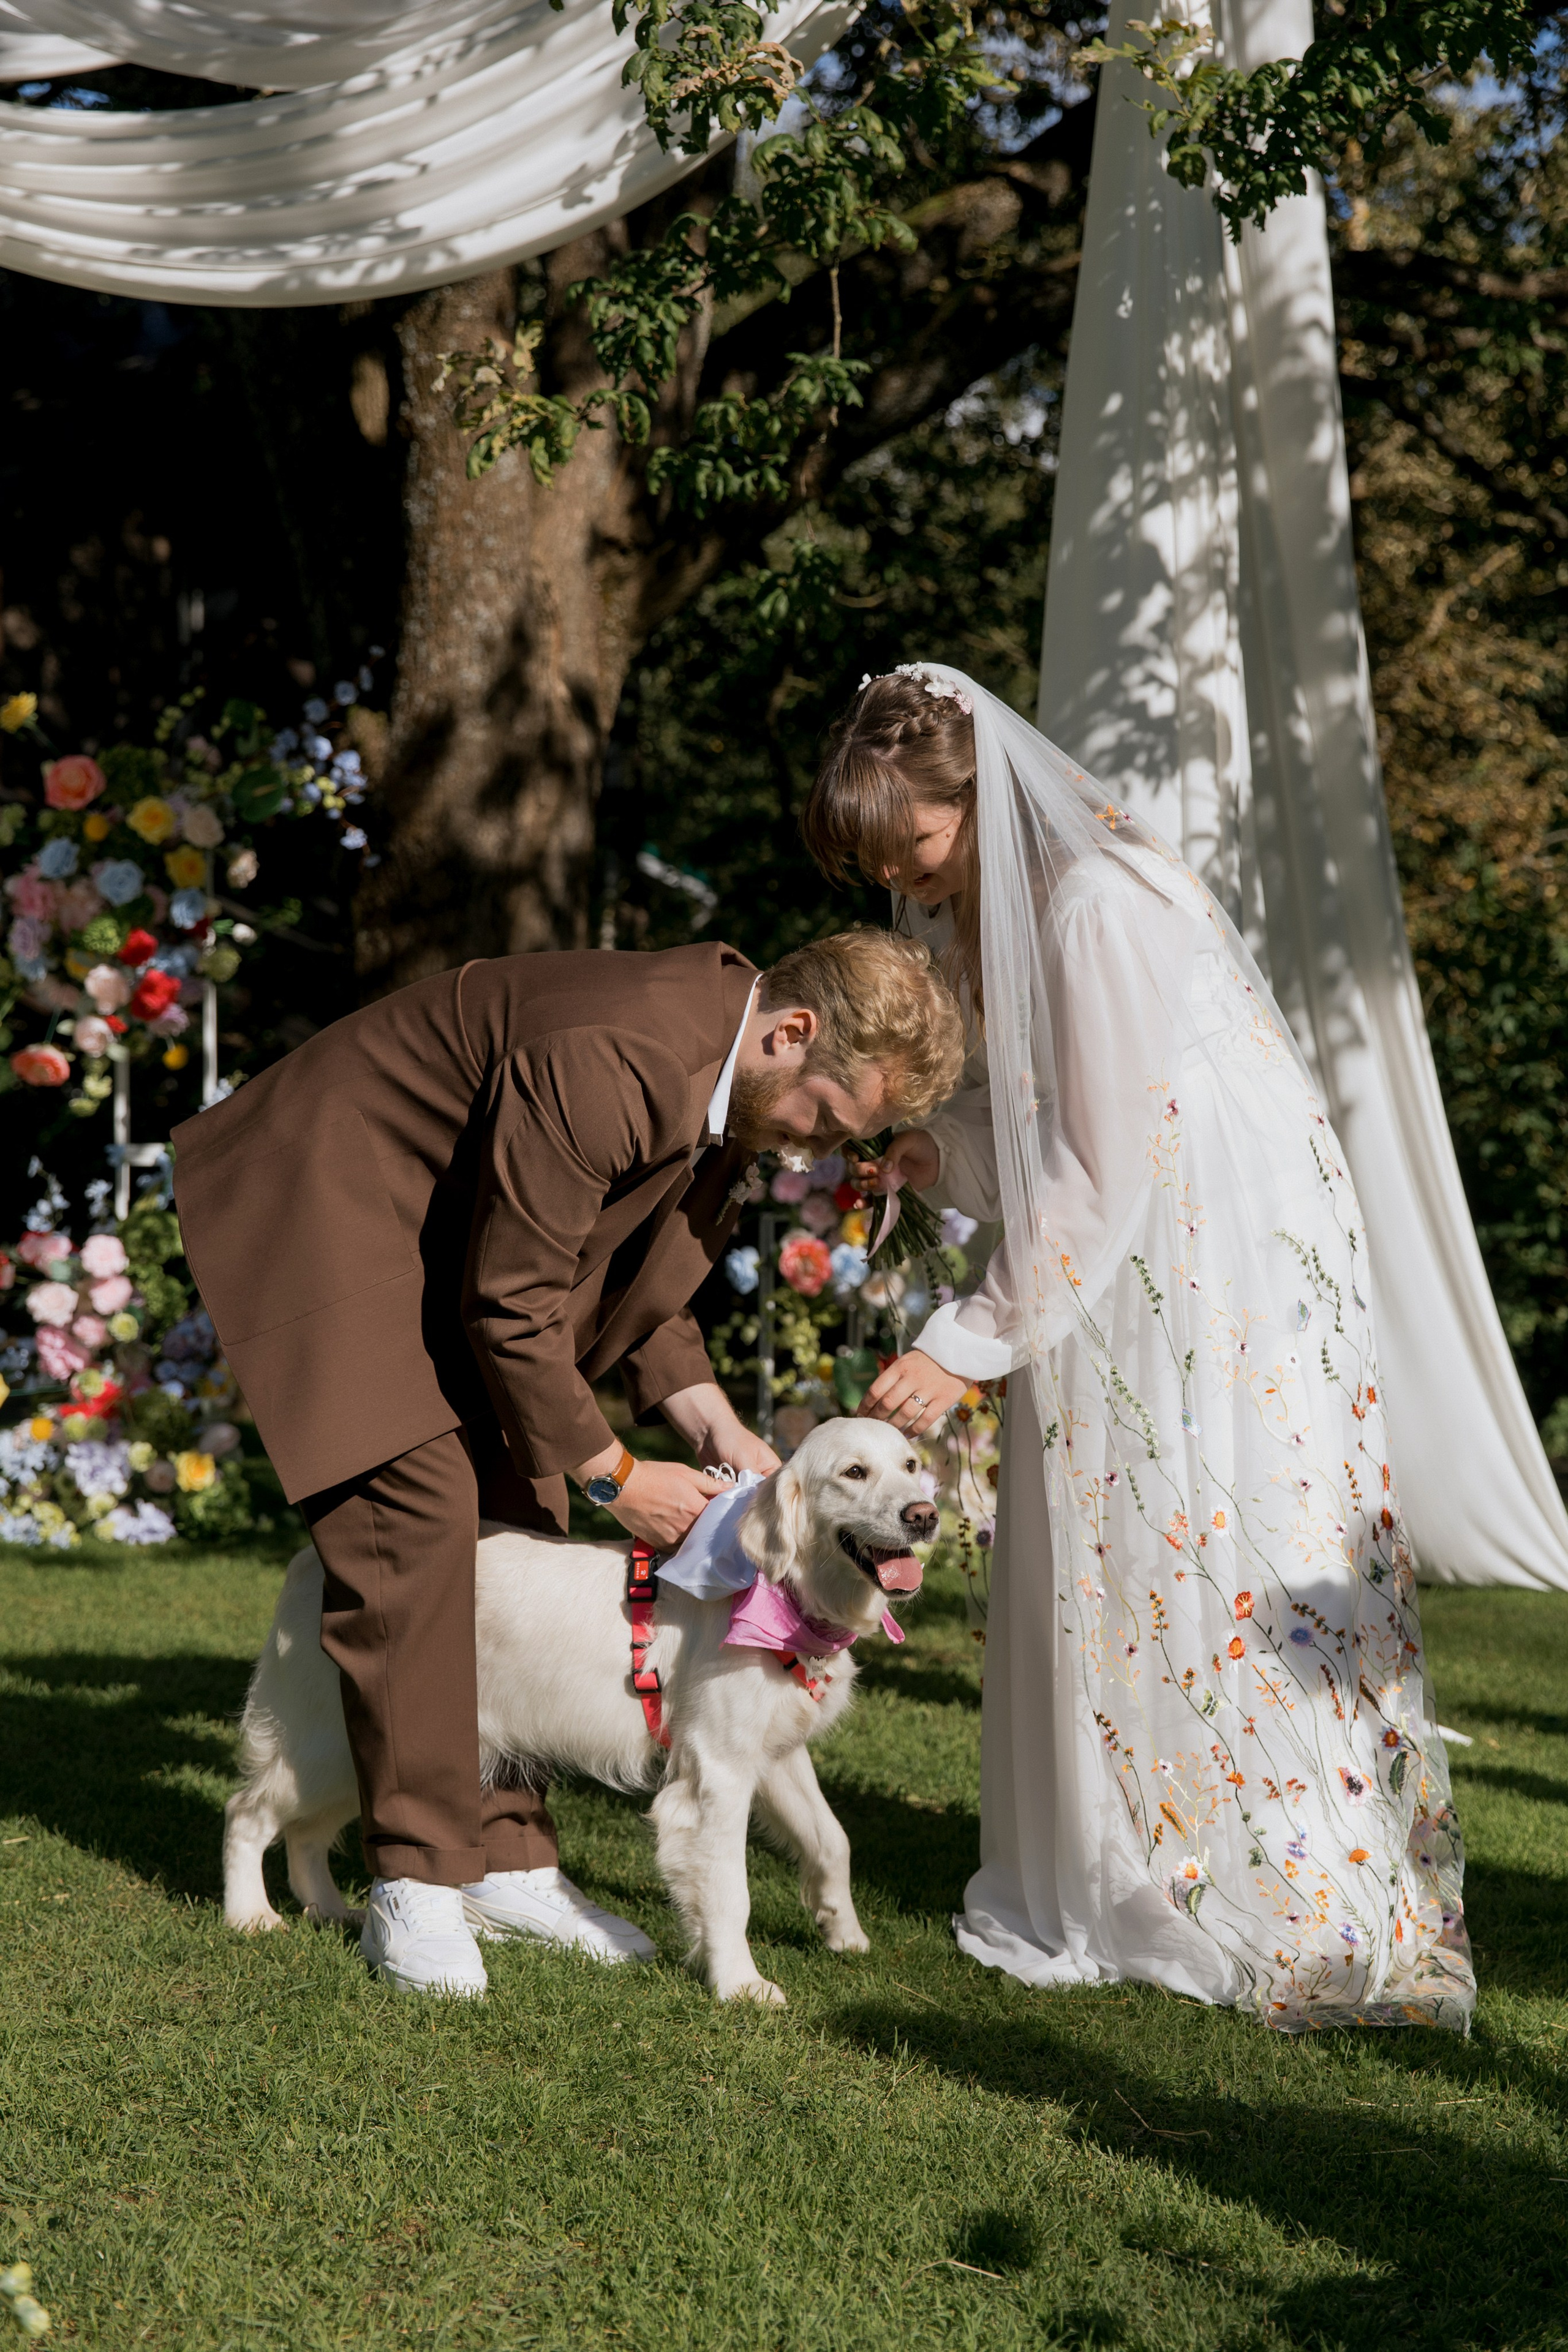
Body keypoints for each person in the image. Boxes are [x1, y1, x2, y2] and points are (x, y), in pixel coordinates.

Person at [802, 664, 1476, 2031]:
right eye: (879, 865)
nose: (907, 884)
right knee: (1118, 1531)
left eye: (915, 847)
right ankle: (1123, 1853)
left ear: (976, 791)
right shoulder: (977, 910)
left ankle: (1269, 1870)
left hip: (1211, 1235)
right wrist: (931, 1149)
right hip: (1122, 1226)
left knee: (1216, 1516)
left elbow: (1103, 1160)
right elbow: (1030, 1129)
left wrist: (969, 1340)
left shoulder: (1098, 906)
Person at [174, 929, 964, 1996]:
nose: (817, 1150)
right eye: (826, 1118)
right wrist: (614, 1477)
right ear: (793, 1033)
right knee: (416, 1523)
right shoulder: (618, 1056)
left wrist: (714, 1429)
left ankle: (506, 1856)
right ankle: (414, 1879)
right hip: (333, 1205)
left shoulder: (733, 1077)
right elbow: (511, 1300)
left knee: (516, 1505)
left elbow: (643, 1288)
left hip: (445, 1243)